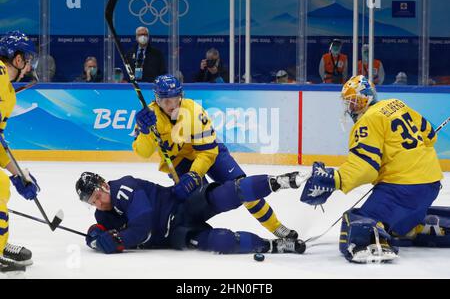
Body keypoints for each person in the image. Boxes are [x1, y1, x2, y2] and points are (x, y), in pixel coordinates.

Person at [132, 74, 298, 239]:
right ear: (157, 100)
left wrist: (195, 173)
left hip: (209, 152)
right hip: (179, 162)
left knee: (242, 186)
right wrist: (145, 132)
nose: (172, 105)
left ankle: (276, 227)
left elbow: (207, 152)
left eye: (176, 99)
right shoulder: (149, 117)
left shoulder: (194, 111)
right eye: (166, 101)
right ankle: (200, 236)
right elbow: (143, 153)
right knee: (199, 203)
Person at [300, 75, 444, 264]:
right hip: (432, 185)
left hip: (402, 189)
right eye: (349, 103)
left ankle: (376, 241)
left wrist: (335, 179)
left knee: (354, 222)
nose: (351, 108)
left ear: (366, 97)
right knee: (398, 211)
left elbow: (365, 168)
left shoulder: (367, 120)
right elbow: (430, 135)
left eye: (354, 102)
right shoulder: (396, 103)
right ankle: (414, 226)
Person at [75, 171, 306, 255]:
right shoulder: (102, 215)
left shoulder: (123, 187)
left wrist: (116, 240)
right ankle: (274, 246)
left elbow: (142, 226)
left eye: (97, 195)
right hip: (175, 236)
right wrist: (95, 237)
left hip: (180, 206)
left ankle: (281, 181)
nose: (98, 203)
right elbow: (100, 232)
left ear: (104, 185)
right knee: (221, 241)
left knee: (227, 193)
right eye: (92, 202)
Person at [0, 31, 41, 272]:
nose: (28, 66)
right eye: (27, 59)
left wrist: (18, 174)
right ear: (17, 59)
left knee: (3, 184)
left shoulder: (9, 93)